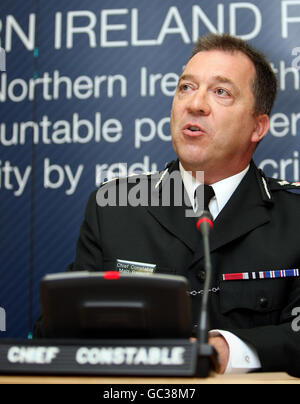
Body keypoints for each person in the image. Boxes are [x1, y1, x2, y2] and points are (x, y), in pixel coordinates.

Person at [43, 34, 300, 376]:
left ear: (258, 126)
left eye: (221, 92)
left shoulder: (294, 217)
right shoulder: (114, 208)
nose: (195, 104)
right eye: (186, 88)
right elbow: (57, 331)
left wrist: (228, 350)